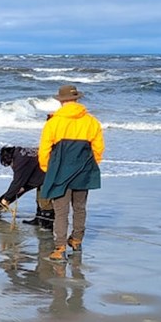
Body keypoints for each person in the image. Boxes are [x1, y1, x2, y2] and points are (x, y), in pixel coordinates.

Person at [39, 85, 104, 261]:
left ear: (61, 101)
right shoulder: (91, 121)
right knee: (80, 208)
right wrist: (91, 164)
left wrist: (47, 168)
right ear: (77, 100)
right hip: (83, 169)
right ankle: (76, 240)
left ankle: (60, 248)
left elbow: (44, 149)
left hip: (60, 170)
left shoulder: (54, 122)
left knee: (61, 211)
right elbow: (98, 148)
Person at [0, 145, 54, 230]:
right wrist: (23, 187)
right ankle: (38, 219)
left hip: (49, 173)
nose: (11, 166)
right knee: (39, 199)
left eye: (10, 164)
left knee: (44, 200)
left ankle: (48, 225)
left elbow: (17, 183)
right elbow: (25, 177)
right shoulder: (21, 153)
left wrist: (6, 199)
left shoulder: (20, 161)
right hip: (44, 171)